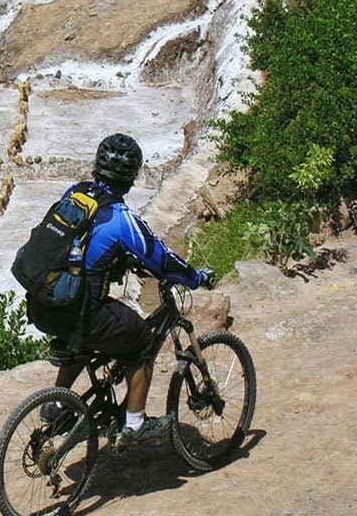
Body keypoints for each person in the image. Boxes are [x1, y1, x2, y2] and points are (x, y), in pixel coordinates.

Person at [26, 134, 215, 443]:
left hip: (42, 303)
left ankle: (58, 405)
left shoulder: (76, 194)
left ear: (96, 166)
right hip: (77, 311)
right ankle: (136, 424)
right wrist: (196, 277)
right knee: (142, 343)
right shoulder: (121, 218)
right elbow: (161, 259)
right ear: (131, 176)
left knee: (81, 339)